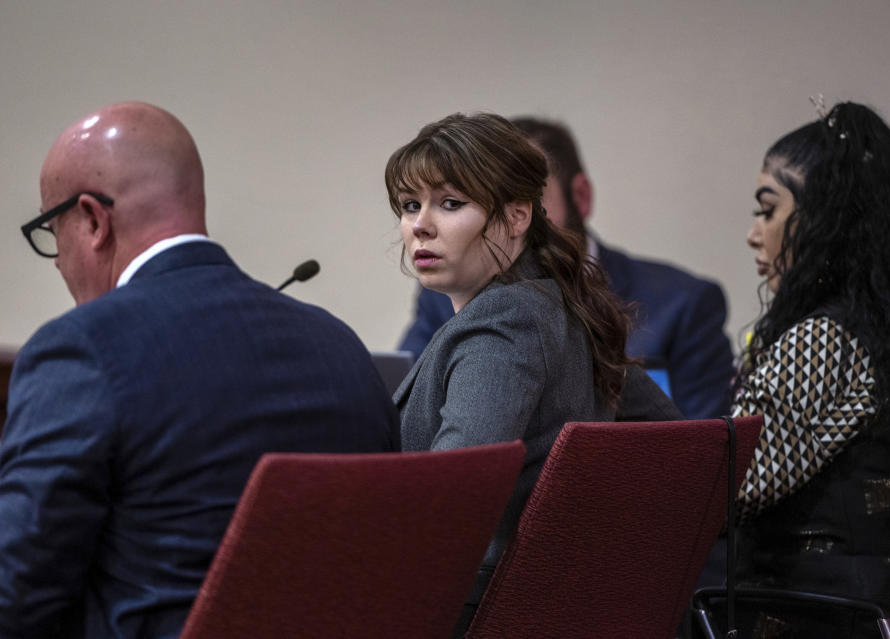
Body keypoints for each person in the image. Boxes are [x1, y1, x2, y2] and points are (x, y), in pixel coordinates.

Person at [0, 101, 400, 639]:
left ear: (93, 220)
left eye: (53, 230)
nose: (57, 260)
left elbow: (15, 594)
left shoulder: (82, 348)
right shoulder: (339, 348)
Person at [386, 112, 681, 634]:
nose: (420, 225)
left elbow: (451, 498)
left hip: (469, 615)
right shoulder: (560, 304)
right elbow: (679, 440)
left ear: (517, 216)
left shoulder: (506, 322)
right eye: (411, 205)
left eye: (450, 204)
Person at [728, 101, 890, 637]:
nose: (752, 233)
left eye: (767, 209)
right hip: (888, 614)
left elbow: (725, 485)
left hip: (814, 619)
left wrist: (623, 382)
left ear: (824, 219)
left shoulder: (825, 340)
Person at [398, 117, 734, 419]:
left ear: (581, 196)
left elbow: (700, 453)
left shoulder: (685, 302)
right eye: (411, 205)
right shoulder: (444, 293)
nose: (520, 217)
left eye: (530, 201)